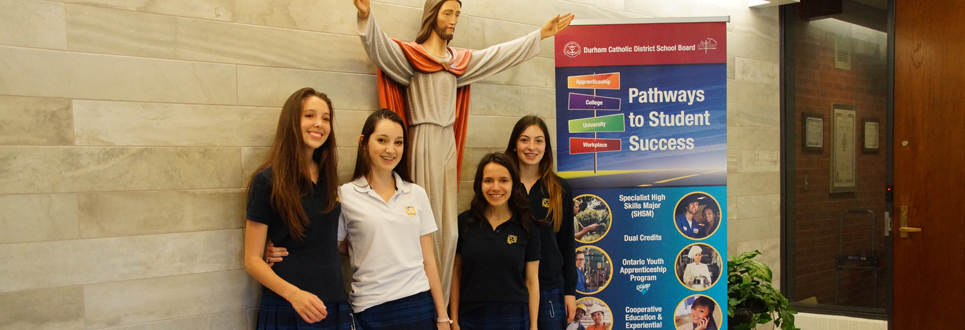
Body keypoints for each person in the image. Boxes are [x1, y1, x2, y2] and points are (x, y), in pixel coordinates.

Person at [351, 0, 574, 300]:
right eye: (448, 13)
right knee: (424, 225)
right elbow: (380, 47)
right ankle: (428, 298)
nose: (454, 20)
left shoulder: (459, 62)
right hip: (423, 139)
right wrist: (366, 16)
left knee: (449, 230)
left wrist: (539, 36)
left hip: (447, 142)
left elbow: (498, 56)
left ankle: (440, 297)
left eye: (457, 14)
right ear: (432, 16)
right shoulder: (412, 57)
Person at [243, 88, 356, 329]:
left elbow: (323, 238)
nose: (319, 124)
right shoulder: (267, 180)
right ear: (292, 120)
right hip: (289, 305)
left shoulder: (328, 176)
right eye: (310, 116)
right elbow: (252, 260)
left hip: (333, 302)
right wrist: (294, 295)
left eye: (326, 118)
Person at [338, 109, 451, 329]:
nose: (391, 149)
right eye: (382, 140)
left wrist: (442, 316)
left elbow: (428, 259)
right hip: (369, 306)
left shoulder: (416, 193)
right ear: (363, 142)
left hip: (418, 301)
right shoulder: (345, 195)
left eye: (398, 142)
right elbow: (332, 248)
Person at [450, 153, 541, 330]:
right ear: (480, 184)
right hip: (470, 316)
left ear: (514, 183)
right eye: (488, 180)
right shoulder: (464, 222)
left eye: (504, 180)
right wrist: (454, 320)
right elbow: (456, 275)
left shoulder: (527, 226)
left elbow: (532, 281)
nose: (496, 187)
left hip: (514, 317)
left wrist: (534, 325)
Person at [505, 115, 576, 329]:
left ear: (546, 148)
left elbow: (567, 243)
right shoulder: (502, 186)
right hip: (510, 286)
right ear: (514, 146)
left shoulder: (559, 188)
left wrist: (570, 292)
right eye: (524, 139)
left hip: (549, 286)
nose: (531, 147)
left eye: (539, 140)